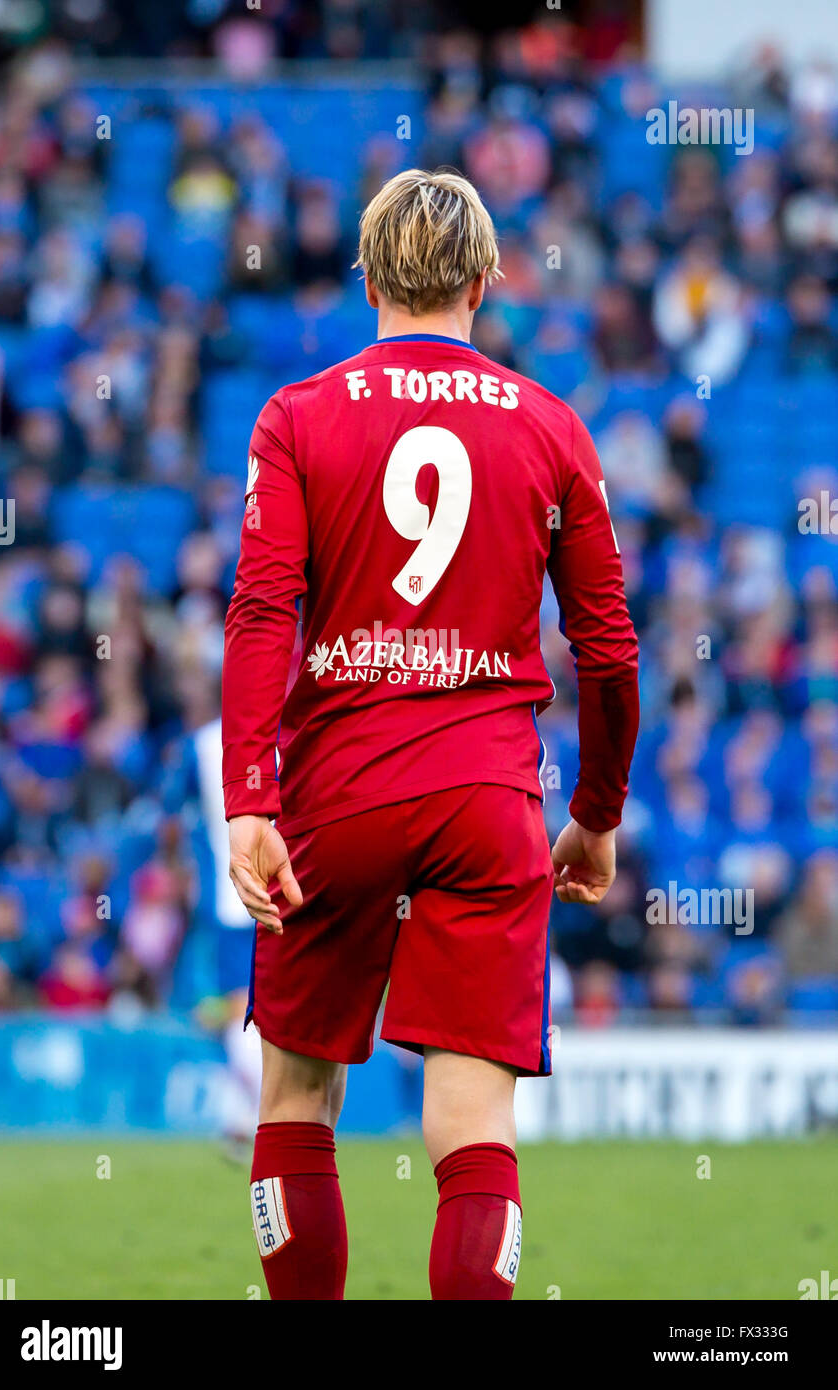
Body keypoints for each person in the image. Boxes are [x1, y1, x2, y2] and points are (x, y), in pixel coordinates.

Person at [221, 168, 639, 1301]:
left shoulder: (297, 417)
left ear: (366, 280)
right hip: (487, 806)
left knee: (297, 1102)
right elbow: (607, 651)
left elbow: (264, 610)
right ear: (485, 279)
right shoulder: (552, 427)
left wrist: (250, 798)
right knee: (474, 1132)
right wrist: (595, 816)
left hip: (333, 797)